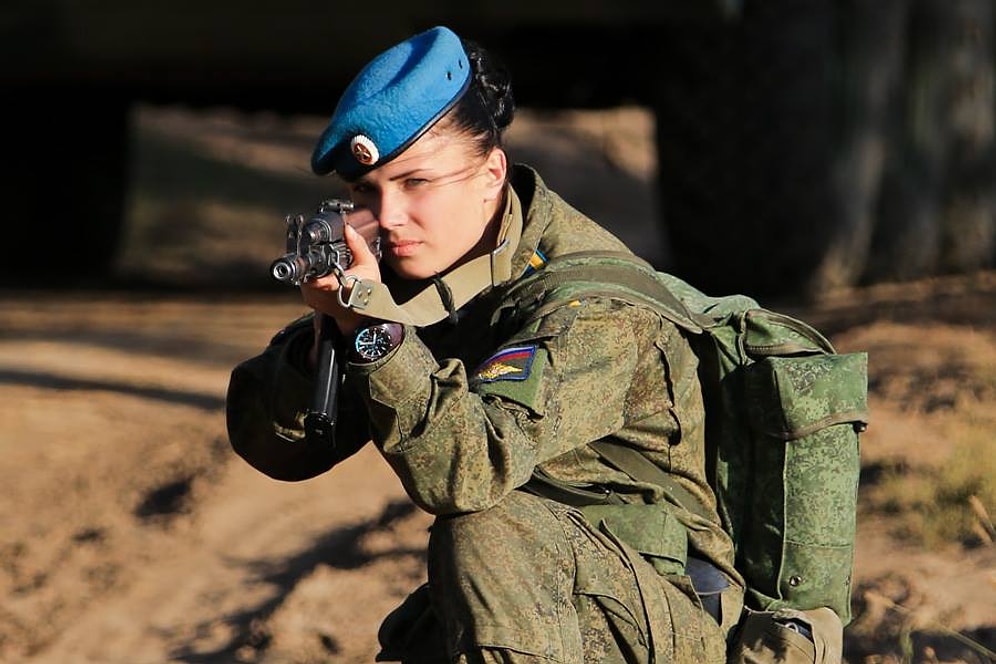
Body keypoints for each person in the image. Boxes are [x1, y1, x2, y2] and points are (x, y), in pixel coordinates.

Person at [226, 25, 743, 663]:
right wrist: (326, 339)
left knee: (484, 532)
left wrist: (373, 332)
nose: (388, 217)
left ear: (491, 175)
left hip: (658, 613)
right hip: (540, 591)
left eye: (416, 183)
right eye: (368, 191)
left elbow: (464, 473)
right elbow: (273, 446)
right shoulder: (433, 270)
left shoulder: (594, 306)